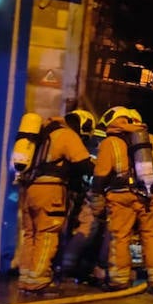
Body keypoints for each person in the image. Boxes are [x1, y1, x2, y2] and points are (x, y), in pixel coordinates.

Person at [87, 106, 153, 294]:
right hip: (149, 196)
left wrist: (97, 203)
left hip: (120, 197)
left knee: (120, 238)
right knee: (151, 237)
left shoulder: (110, 143)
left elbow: (100, 178)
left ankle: (119, 282)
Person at [13, 111, 93, 293]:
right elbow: (83, 164)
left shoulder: (44, 133)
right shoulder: (67, 135)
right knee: (47, 235)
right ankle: (38, 281)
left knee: (31, 235)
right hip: (50, 191)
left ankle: (26, 278)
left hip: (30, 190)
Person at [57, 109, 106, 281]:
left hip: (59, 191)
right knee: (87, 227)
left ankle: (59, 267)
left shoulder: (54, 134)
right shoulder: (72, 139)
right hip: (68, 193)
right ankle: (67, 269)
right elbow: (86, 167)